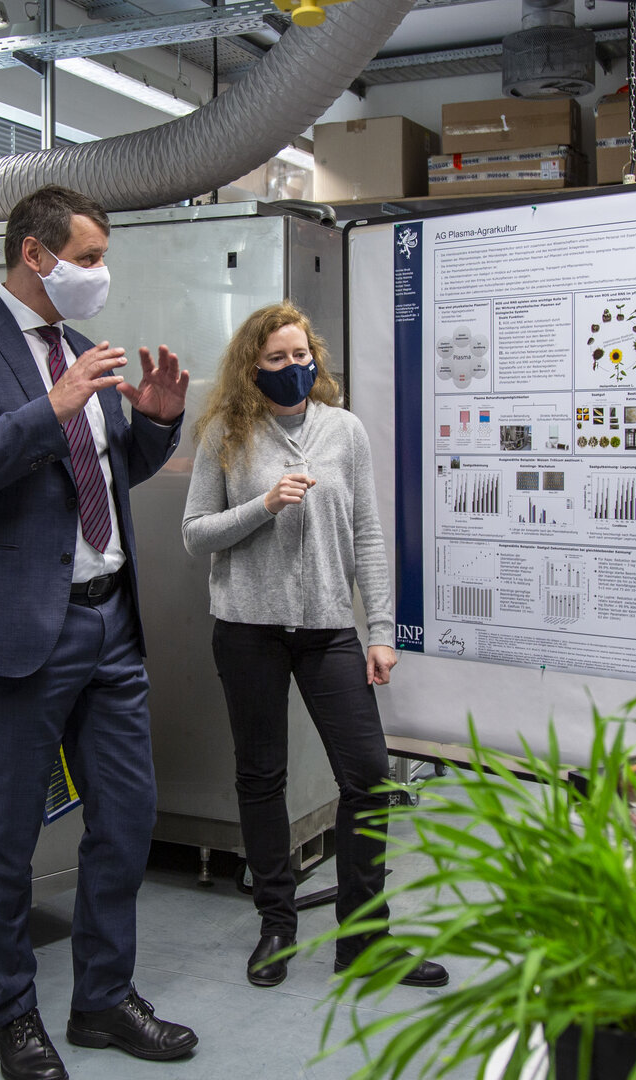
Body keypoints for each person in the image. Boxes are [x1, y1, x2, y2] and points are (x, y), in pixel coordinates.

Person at [0, 185, 195, 1080]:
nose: (101, 273)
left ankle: (103, 999)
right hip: (22, 632)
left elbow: (103, 474)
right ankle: (14, 1016)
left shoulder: (80, 351)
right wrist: (51, 408)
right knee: (7, 834)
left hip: (110, 619)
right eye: (91, 255)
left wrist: (150, 422)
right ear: (37, 255)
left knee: (127, 816)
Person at [180, 302, 448, 991]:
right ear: (252, 366)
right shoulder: (224, 433)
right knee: (261, 777)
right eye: (277, 359)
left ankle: (365, 940)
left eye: (303, 356)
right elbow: (195, 534)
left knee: (369, 775)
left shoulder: (344, 430)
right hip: (248, 630)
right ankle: (277, 925)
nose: (295, 368)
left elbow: (368, 535)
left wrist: (381, 631)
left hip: (328, 629)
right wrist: (262, 505)